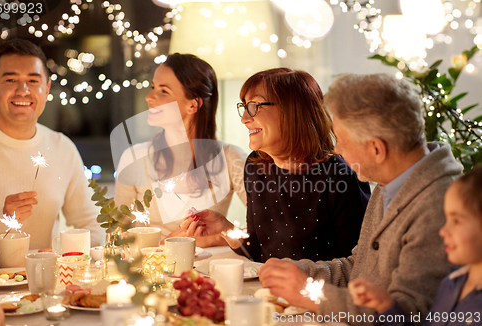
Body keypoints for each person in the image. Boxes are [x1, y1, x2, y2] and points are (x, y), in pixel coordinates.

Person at [256, 73, 463, 325]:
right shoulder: (390, 182)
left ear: (376, 149)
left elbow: (406, 314)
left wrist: (311, 295)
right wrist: (303, 272)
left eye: (341, 139)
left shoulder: (439, 205)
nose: (336, 149)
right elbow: (359, 269)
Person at [182, 68, 370, 262]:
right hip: (269, 291)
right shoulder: (256, 166)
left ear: (292, 111)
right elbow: (256, 249)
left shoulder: (341, 176)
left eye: (254, 106)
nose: (245, 119)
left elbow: (359, 264)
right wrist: (225, 229)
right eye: (244, 106)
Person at [114, 53, 247, 247]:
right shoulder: (134, 158)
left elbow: (264, 231)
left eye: (164, 91)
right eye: (153, 87)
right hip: (152, 271)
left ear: (193, 104)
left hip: (210, 273)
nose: (149, 97)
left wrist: (213, 237)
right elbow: (118, 234)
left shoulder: (230, 158)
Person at [0, 38, 102, 249]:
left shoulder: (62, 148)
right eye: (10, 80)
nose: (23, 90)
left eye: (33, 80)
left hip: (46, 280)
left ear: (46, 90)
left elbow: (91, 223)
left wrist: (61, 254)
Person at [348, 165, 482, 326]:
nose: (443, 231)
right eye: (447, 219)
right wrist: (386, 306)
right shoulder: (450, 283)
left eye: (457, 221)